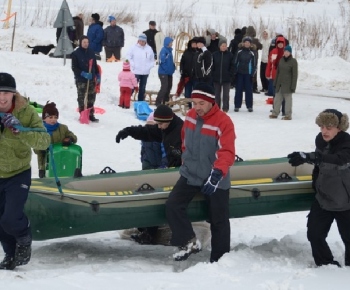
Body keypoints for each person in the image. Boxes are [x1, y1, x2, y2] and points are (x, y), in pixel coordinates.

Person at [165, 82, 235, 263]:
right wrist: (186, 161)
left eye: (201, 103)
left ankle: (220, 260)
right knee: (173, 205)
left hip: (215, 177)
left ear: (211, 102)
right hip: (191, 174)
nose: (197, 107)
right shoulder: (190, 117)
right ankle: (188, 241)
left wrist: (217, 173)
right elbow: (184, 142)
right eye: (194, 103)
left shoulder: (223, 122)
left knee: (218, 220)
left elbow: (226, 151)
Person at [0, 72, 51, 270]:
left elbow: (44, 141)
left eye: (7, 92)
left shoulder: (26, 112)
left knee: (10, 218)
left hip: (17, 172)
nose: (2, 97)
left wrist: (22, 130)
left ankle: (24, 235)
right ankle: (10, 255)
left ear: (14, 94)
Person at [287, 109, 350, 267]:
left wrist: (311, 157)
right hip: (324, 198)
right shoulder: (320, 141)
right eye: (321, 127)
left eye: (328, 127)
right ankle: (326, 264)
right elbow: (320, 165)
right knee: (314, 234)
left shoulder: (347, 144)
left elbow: (338, 160)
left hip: (346, 200)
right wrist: (316, 182)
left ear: (339, 128)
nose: (324, 131)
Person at [116, 105, 183, 244]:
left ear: (169, 120)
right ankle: (147, 229)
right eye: (157, 123)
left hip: (180, 172)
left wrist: (179, 155)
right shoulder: (165, 128)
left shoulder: (180, 130)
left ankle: (178, 235)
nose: (158, 127)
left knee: (166, 202)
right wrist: (128, 131)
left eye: (161, 124)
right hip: (168, 170)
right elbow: (147, 132)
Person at [34, 102, 78, 178]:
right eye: (50, 117)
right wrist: (43, 147)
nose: (53, 120)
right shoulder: (40, 130)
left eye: (55, 117)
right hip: (45, 164)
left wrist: (69, 139)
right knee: (48, 180)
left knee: (62, 177)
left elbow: (74, 137)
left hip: (61, 160)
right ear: (44, 118)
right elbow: (35, 149)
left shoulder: (62, 128)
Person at [71, 35, 100, 122]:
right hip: (81, 80)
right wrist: (83, 73)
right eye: (84, 42)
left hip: (91, 79)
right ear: (80, 43)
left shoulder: (91, 52)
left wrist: (97, 75)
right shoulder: (76, 54)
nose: (86, 44)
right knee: (81, 97)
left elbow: (94, 65)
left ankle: (90, 114)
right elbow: (74, 67)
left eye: (87, 42)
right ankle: (82, 113)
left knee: (91, 97)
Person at [269, 45, 298, 120]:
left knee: (288, 101)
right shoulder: (281, 60)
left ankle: (288, 115)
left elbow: (295, 75)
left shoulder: (293, 61)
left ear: (290, 53)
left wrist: (293, 86)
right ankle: (275, 113)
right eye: (285, 51)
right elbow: (278, 72)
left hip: (288, 85)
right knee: (277, 99)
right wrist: (275, 82)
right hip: (279, 83)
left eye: (288, 51)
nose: (286, 53)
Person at [127, 34, 155, 102]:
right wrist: (133, 64)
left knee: (142, 87)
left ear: (145, 41)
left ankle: (140, 100)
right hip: (136, 71)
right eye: (140, 41)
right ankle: (127, 98)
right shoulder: (133, 47)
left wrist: (149, 66)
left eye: (143, 41)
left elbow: (152, 59)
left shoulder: (149, 49)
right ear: (138, 41)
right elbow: (128, 57)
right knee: (133, 85)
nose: (142, 43)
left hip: (145, 72)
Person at [233, 36, 257, 112]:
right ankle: (237, 105)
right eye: (245, 42)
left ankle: (249, 105)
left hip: (248, 74)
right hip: (239, 73)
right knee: (238, 89)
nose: (247, 44)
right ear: (243, 43)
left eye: (248, 43)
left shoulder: (252, 53)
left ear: (250, 44)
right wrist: (234, 72)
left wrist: (253, 75)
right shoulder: (239, 52)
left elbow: (254, 65)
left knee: (249, 90)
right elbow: (235, 62)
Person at [212, 39, 235, 112]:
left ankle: (225, 108)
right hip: (216, 78)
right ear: (219, 46)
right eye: (222, 46)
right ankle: (216, 107)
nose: (224, 47)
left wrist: (230, 74)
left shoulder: (230, 55)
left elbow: (233, 66)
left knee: (225, 95)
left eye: (225, 46)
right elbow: (212, 66)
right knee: (216, 95)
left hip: (226, 78)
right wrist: (213, 74)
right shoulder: (215, 55)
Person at [265, 36, 286, 114]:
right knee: (275, 93)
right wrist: (267, 72)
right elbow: (270, 63)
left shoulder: (286, 52)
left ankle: (284, 110)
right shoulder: (273, 51)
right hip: (274, 76)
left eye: (281, 43)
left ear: (283, 44)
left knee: (283, 93)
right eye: (279, 43)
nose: (280, 45)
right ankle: (275, 108)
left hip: (283, 76)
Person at [176, 37, 198, 108]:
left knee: (196, 91)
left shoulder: (198, 52)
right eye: (193, 44)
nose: (194, 45)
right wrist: (182, 71)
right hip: (187, 75)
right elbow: (182, 63)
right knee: (187, 91)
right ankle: (188, 105)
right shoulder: (186, 52)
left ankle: (196, 105)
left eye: (195, 44)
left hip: (196, 76)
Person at [155, 37, 175, 106]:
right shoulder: (164, 50)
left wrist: (173, 68)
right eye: (170, 43)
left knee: (169, 86)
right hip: (163, 72)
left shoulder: (169, 51)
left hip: (169, 72)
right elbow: (162, 62)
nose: (171, 44)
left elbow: (170, 61)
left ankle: (165, 101)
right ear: (167, 43)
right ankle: (158, 101)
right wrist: (167, 69)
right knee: (164, 87)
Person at [244, 25, 262, 94]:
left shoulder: (244, 39)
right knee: (254, 71)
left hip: (246, 57)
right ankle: (254, 87)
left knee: (246, 71)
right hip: (254, 57)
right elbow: (261, 47)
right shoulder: (255, 40)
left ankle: (245, 86)